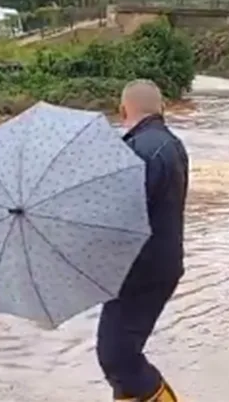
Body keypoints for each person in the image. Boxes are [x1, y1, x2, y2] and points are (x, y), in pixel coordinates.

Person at [97, 79, 189, 402]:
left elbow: (120, 215)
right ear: (161, 109)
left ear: (123, 111)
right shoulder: (168, 144)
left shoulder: (139, 151)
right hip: (156, 264)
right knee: (120, 355)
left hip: (140, 269)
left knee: (117, 356)